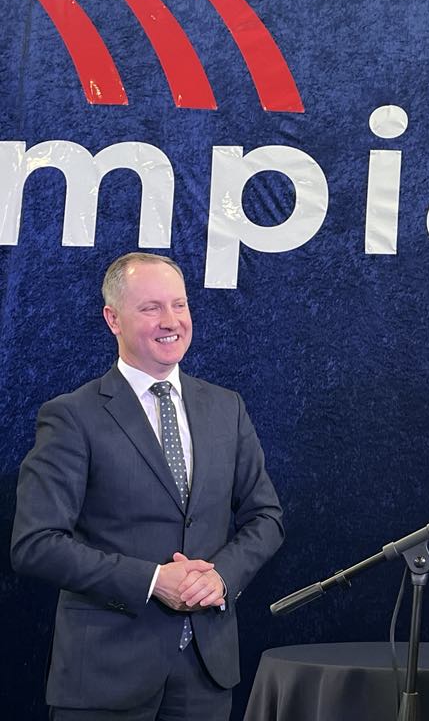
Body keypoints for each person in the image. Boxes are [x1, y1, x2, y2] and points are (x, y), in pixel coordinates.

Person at [11, 252, 285, 720]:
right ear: (112, 319)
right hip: (104, 678)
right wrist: (154, 581)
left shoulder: (227, 407)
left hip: (205, 677)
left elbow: (266, 517)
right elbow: (35, 544)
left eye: (179, 305)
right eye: (151, 308)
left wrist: (220, 576)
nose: (171, 321)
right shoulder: (72, 416)